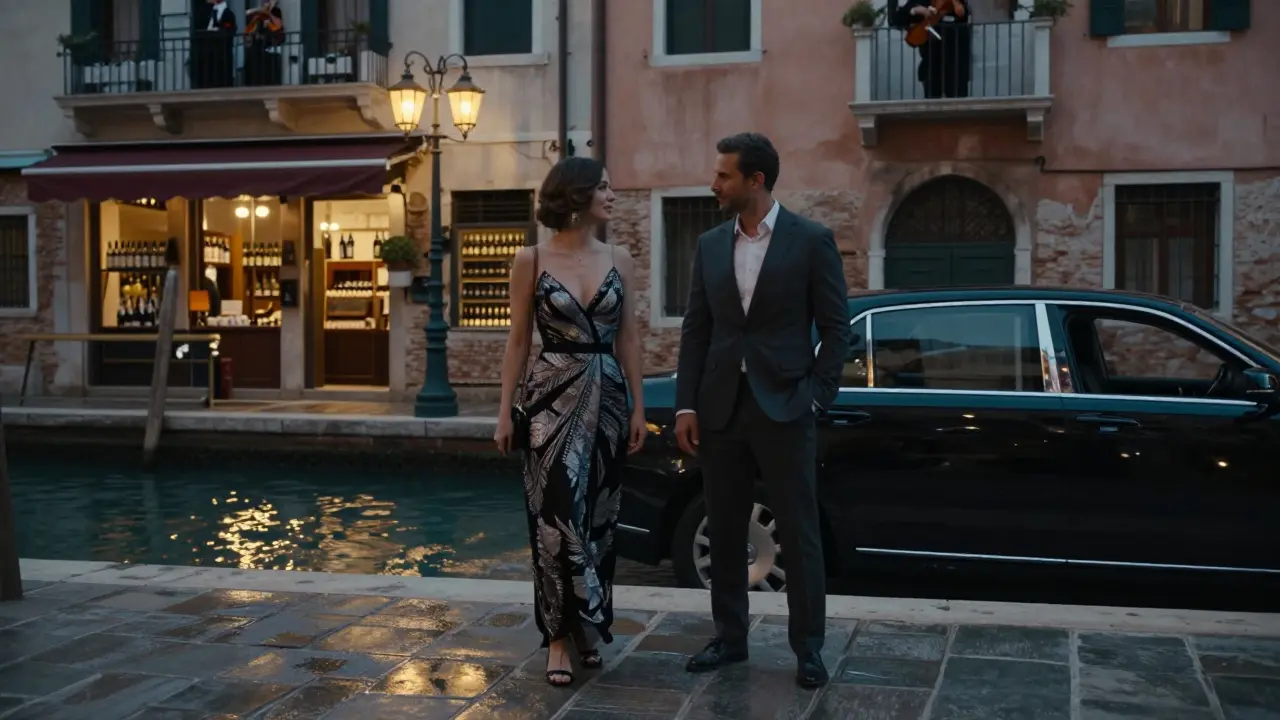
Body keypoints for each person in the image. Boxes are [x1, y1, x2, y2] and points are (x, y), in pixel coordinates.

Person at [673, 133, 851, 688]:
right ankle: (730, 639)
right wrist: (685, 404)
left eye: (724, 175)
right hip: (721, 408)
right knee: (725, 529)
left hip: (786, 407)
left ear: (756, 180)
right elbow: (696, 329)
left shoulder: (811, 240)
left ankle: (809, 649)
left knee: (800, 532)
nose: (714, 183)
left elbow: (836, 327)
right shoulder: (708, 245)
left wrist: (817, 393)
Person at [494, 156, 647, 687]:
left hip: (607, 399)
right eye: (603, 186)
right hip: (549, 399)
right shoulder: (530, 258)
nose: (613, 193)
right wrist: (503, 412)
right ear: (577, 194)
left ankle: (584, 627)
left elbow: (629, 338)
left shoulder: (620, 258)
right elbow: (518, 340)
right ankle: (557, 637)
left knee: (599, 521)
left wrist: (639, 408)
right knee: (554, 518)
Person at [895, 0, 971, 99]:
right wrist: (916, 10)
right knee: (932, 100)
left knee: (957, 99)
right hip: (930, 63)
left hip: (955, 62)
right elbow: (897, 19)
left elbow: (962, 16)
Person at [192, 0, 238, 89]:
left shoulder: (228, 14)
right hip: (207, 55)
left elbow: (229, 31)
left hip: (221, 55)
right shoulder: (208, 13)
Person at [244, 1, 285, 87]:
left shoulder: (275, 11)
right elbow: (252, 27)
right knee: (253, 54)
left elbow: (278, 25)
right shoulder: (258, 15)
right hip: (259, 44)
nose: (265, 3)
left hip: (271, 43)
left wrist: (268, 14)